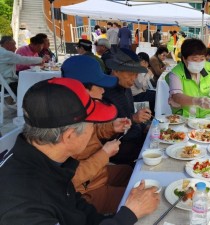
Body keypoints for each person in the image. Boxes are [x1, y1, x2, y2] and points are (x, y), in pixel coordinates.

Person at [0, 77, 159, 224]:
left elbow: (79, 208)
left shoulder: (50, 161)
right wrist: (127, 215)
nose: (94, 129)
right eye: (92, 124)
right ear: (69, 136)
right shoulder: (24, 208)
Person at [61, 55, 133, 214]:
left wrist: (111, 127)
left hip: (99, 172)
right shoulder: (62, 127)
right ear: (81, 88)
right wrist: (104, 154)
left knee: (130, 172)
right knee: (136, 197)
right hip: (86, 190)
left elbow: (92, 131)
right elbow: (71, 179)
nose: (103, 90)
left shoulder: (82, 108)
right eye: (99, 86)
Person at [104, 49, 152, 165]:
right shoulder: (104, 93)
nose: (134, 78)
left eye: (136, 74)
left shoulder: (125, 88)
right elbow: (106, 132)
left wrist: (144, 125)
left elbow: (130, 113)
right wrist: (134, 119)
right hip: (120, 147)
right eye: (130, 74)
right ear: (116, 71)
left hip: (136, 137)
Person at [166, 38, 210, 118]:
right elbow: (176, 96)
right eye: (194, 59)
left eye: (202, 59)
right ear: (184, 59)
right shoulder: (176, 73)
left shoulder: (209, 68)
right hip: (184, 118)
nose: (199, 62)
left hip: (207, 118)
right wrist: (196, 101)